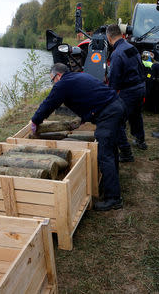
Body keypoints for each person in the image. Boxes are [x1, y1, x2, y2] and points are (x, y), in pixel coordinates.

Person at [31, 63, 126, 211]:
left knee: (104, 154)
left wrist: (35, 120)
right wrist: (84, 118)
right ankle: (111, 184)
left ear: (58, 75)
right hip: (117, 105)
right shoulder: (77, 76)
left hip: (109, 113)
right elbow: (89, 97)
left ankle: (113, 198)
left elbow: (49, 103)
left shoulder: (62, 84)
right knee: (111, 148)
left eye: (52, 79)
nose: (53, 83)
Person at [106, 24, 147, 163]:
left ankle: (126, 152)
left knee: (118, 121)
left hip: (129, 91)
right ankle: (140, 141)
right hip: (141, 87)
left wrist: (109, 99)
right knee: (136, 115)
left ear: (108, 37)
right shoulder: (132, 47)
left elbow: (114, 80)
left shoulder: (116, 54)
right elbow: (141, 67)